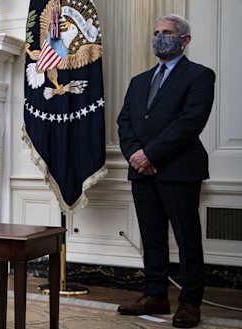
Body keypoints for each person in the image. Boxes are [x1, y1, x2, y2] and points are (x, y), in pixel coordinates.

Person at [117, 14, 215, 328]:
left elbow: (190, 122)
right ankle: (155, 294)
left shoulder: (200, 76)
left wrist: (151, 154)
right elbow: (125, 123)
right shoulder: (138, 81)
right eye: (157, 32)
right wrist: (135, 155)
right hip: (142, 171)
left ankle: (189, 302)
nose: (160, 37)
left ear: (184, 40)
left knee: (187, 239)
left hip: (180, 170)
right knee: (152, 236)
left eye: (168, 32)